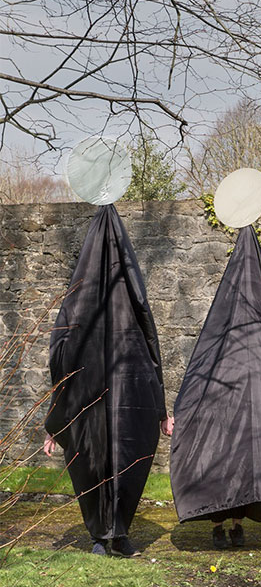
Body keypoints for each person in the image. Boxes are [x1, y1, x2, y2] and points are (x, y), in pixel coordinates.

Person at [43, 204, 170, 558]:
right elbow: (61, 355)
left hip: (128, 388)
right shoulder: (79, 305)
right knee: (91, 456)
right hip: (88, 392)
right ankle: (100, 534)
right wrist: (55, 421)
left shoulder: (128, 303)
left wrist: (160, 409)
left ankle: (119, 532)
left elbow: (149, 341)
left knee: (126, 454)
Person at [170, 223, 261, 547]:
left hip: (247, 408)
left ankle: (235, 525)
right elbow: (202, 365)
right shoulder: (236, 328)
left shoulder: (250, 333)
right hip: (224, 406)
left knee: (242, 465)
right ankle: (219, 525)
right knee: (224, 463)